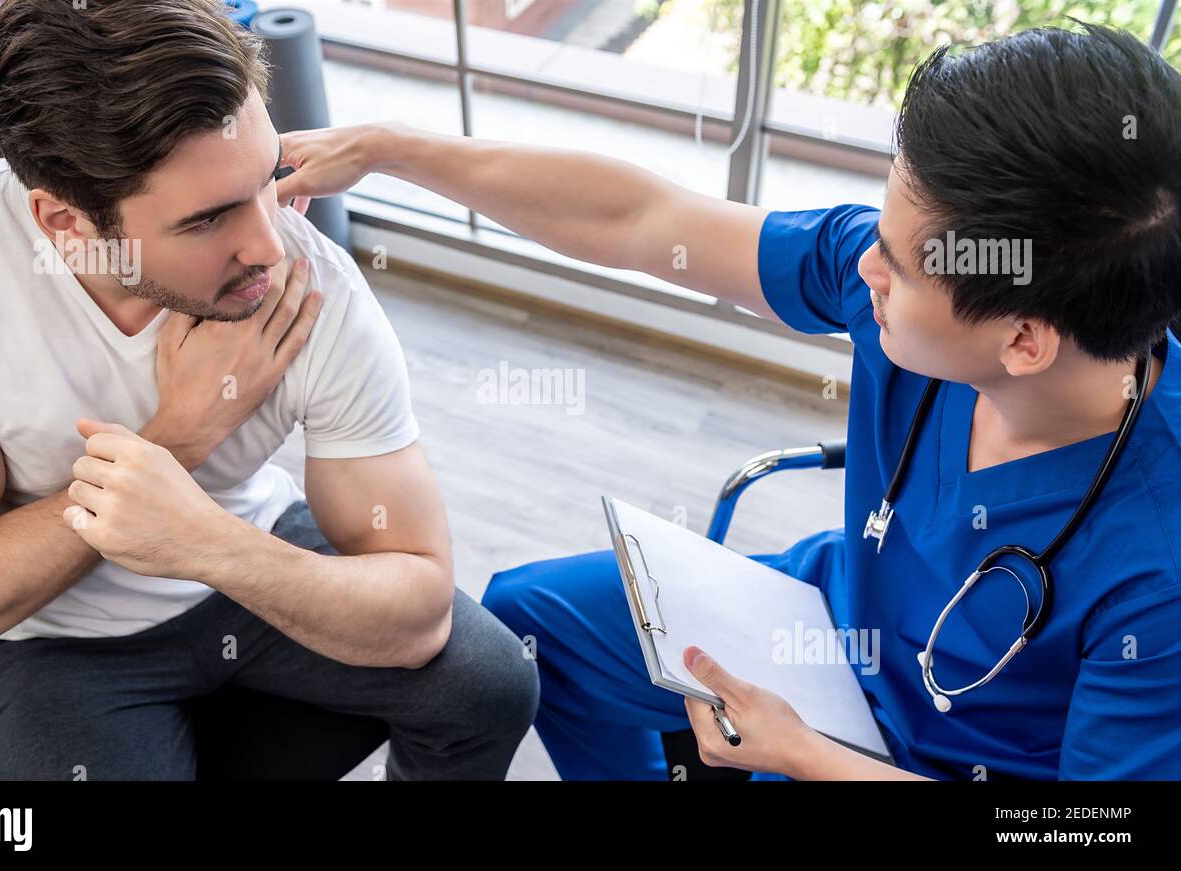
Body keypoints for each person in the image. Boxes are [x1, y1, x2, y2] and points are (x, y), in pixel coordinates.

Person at [275, 23, 1181, 780]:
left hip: (948, 763)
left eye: (896, 267)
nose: (864, 264)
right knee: (528, 618)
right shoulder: (934, 276)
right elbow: (640, 221)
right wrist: (389, 149)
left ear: (1024, 340)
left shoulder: (1158, 568)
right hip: (830, 620)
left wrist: (804, 756)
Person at [0, 0, 537, 780]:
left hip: (245, 550)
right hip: (56, 637)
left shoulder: (307, 286)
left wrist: (208, 542)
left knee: (491, 685)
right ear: (66, 220)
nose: (269, 241)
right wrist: (179, 435)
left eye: (268, 178)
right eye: (209, 219)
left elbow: (420, 610)